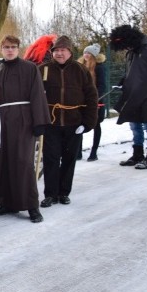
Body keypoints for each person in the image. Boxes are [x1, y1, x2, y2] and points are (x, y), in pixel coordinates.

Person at [0, 35, 50, 222]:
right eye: (6, 47)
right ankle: (5, 202)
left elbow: (37, 94)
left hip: (23, 120)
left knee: (22, 162)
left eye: (13, 47)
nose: (10, 50)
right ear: (1, 49)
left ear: (18, 49)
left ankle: (31, 206)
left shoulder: (30, 69)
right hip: (1, 120)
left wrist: (39, 123)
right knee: (1, 161)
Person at [38, 36, 98, 207]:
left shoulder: (81, 70)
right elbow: (34, 96)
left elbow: (91, 97)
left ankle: (64, 192)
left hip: (74, 123)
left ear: (70, 52)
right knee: (50, 159)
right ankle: (50, 194)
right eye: (56, 50)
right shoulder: (43, 69)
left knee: (69, 159)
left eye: (63, 50)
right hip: (51, 123)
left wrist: (87, 123)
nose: (59, 53)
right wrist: (39, 120)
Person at [109, 25, 147, 170]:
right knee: (134, 123)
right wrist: (123, 81)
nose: (125, 49)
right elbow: (131, 72)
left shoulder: (146, 50)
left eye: (125, 46)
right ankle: (137, 154)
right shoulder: (132, 51)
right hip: (134, 93)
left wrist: (139, 92)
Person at [79, 43, 107, 162]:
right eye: (85, 52)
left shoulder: (99, 68)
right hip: (81, 101)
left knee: (96, 125)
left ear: (94, 55)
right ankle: (78, 152)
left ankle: (94, 152)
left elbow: (102, 86)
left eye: (89, 53)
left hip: (96, 101)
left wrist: (95, 99)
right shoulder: (80, 66)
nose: (86, 55)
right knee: (78, 125)